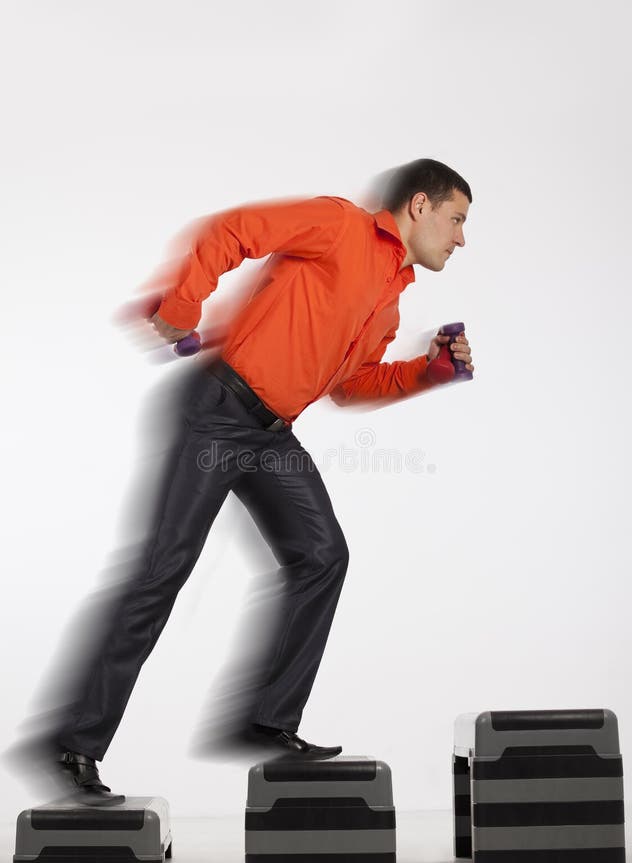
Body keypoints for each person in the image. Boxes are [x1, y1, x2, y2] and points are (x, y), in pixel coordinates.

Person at [25, 158, 475, 805]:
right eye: (457, 220)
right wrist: (182, 306)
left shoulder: (391, 300)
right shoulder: (339, 225)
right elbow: (231, 231)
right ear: (421, 207)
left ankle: (266, 719)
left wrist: (428, 372)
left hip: (270, 435)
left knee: (324, 555)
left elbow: (350, 387)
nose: (461, 238)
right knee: (164, 570)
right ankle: (72, 743)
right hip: (217, 411)